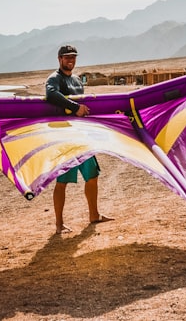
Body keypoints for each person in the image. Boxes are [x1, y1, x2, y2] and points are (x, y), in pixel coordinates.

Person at [45, 44, 113, 233]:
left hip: (82, 136)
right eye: (67, 57)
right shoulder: (54, 79)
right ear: (59, 59)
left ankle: (94, 215)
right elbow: (51, 95)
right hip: (65, 138)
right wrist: (75, 108)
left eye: (73, 57)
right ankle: (59, 225)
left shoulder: (76, 80)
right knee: (62, 181)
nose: (71, 60)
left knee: (92, 176)